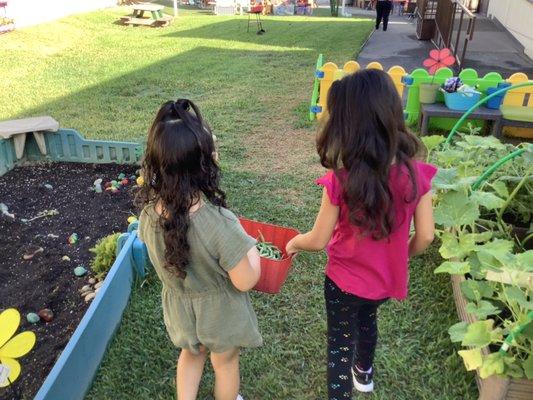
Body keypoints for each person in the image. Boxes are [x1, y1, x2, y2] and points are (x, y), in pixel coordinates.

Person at [286, 69, 436, 399]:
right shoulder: (417, 175)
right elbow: (426, 236)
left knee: (340, 343)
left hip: (342, 282)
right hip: (383, 282)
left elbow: (318, 239)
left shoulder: (340, 180)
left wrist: (294, 242)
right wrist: (400, 255)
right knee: (368, 322)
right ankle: (364, 373)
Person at [136, 99, 262, 400]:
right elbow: (245, 280)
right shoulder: (219, 223)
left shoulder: (148, 216)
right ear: (204, 165)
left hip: (181, 310)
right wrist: (253, 253)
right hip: (219, 314)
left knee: (191, 355)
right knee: (225, 363)